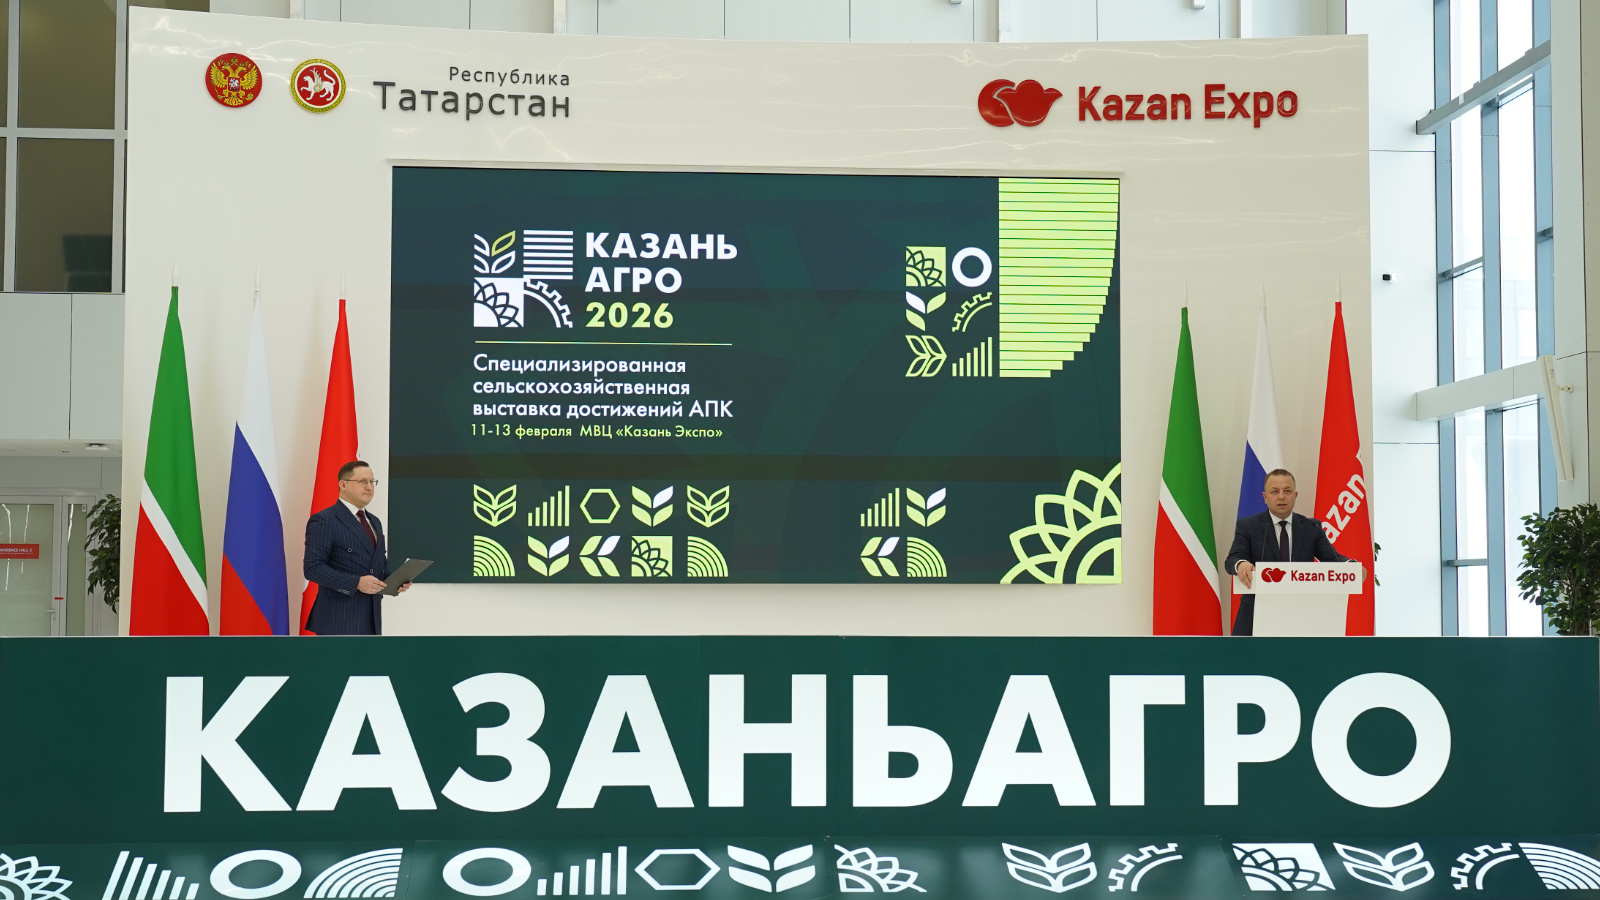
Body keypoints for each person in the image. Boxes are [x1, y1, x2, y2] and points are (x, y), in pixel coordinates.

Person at [1224, 468, 1350, 636]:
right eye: (1275, 491)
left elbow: (1334, 559)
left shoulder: (1311, 527)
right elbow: (1232, 559)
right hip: (1256, 612)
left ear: (1295, 495)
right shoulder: (1248, 526)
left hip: (1300, 612)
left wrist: (1351, 566)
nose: (1281, 497)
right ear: (1265, 497)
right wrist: (1241, 564)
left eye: (1287, 491)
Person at [303, 460, 408, 635]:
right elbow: (312, 568)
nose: (369, 487)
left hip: (371, 620)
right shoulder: (325, 520)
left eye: (372, 482)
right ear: (343, 485)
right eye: (362, 481)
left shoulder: (374, 521)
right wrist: (356, 583)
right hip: (337, 620)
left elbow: (378, 564)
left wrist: (395, 581)